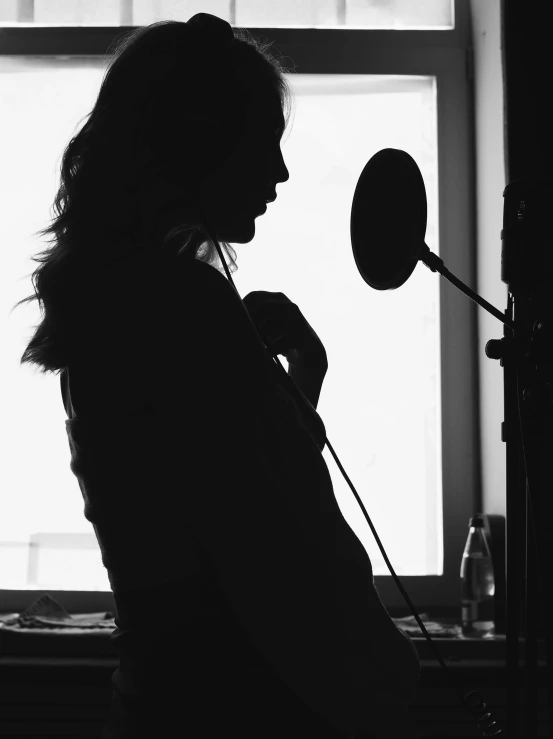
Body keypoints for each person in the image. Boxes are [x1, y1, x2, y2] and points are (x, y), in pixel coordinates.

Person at [15, 13, 420, 738]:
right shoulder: (183, 308)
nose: (281, 172)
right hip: (241, 705)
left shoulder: (118, 302)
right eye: (264, 143)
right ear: (199, 142)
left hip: (165, 698)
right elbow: (278, 551)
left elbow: (223, 499)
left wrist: (302, 379)